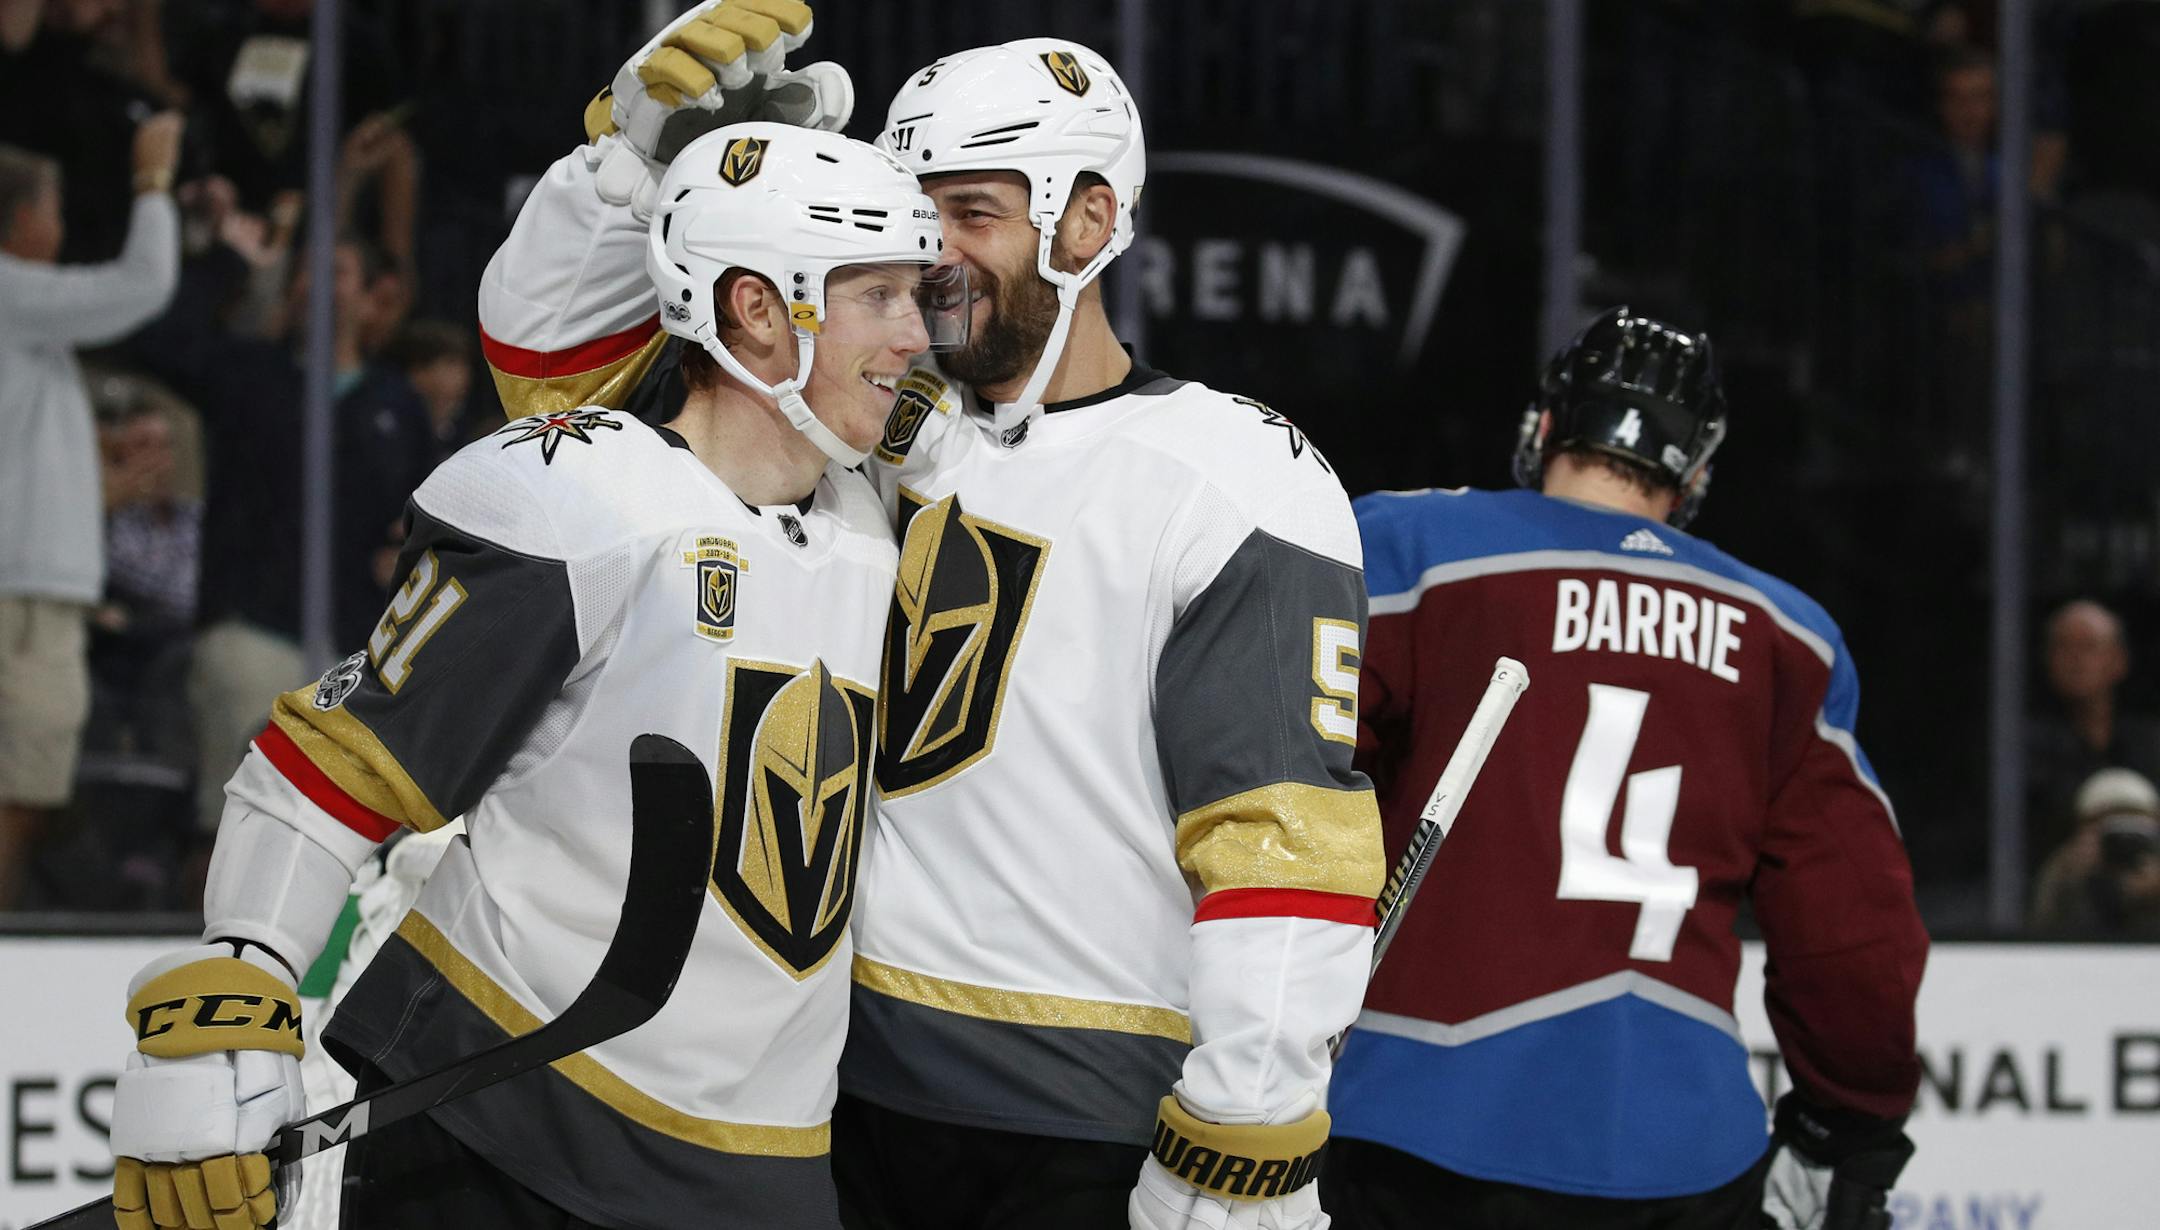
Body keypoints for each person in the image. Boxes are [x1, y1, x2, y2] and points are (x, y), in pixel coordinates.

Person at [103, 41, 956, 1230]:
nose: (915, 335)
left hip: (766, 1163)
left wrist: (643, 181)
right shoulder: (589, 501)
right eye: (878, 295)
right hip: (501, 1123)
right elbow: (332, 766)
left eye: (918, 295)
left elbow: (544, 341)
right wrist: (240, 991)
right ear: (759, 309)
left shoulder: (884, 513)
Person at [832, 39, 1385, 1230]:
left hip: (1083, 1126)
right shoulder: (873, 426)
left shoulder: (1234, 479)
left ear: (1087, 222)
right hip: (840, 1085)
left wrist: (1243, 1132)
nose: (934, 253)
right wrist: (626, 187)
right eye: (915, 216)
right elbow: (598, 420)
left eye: (972, 213)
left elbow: (1282, 843)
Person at [1326, 309, 1930, 1230]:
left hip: (1417, 1122)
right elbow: (1854, 933)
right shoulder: (1787, 634)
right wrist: (1850, 1127)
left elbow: (1270, 795)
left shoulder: (1410, 550)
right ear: (1695, 471)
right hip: (1687, 1149)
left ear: (1546, 425)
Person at [0, 114, 182, 909]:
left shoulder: (23, 322)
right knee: (22, 787)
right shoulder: (10, 290)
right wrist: (153, 180)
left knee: (28, 788)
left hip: (25, 584)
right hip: (21, 598)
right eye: (54, 209)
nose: (62, 226)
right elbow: (144, 284)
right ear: (20, 221)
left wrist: (94, 462)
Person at [2025, 598, 2160, 866]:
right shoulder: (2023, 748)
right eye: (2064, 647)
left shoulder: (2150, 744)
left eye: (2089, 647)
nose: (2076, 659)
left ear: (2119, 660)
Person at [2031, 766, 2160, 939]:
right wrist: (2076, 876)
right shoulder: (2066, 867)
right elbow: (2044, 928)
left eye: (2135, 826)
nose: (2124, 838)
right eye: (2112, 826)